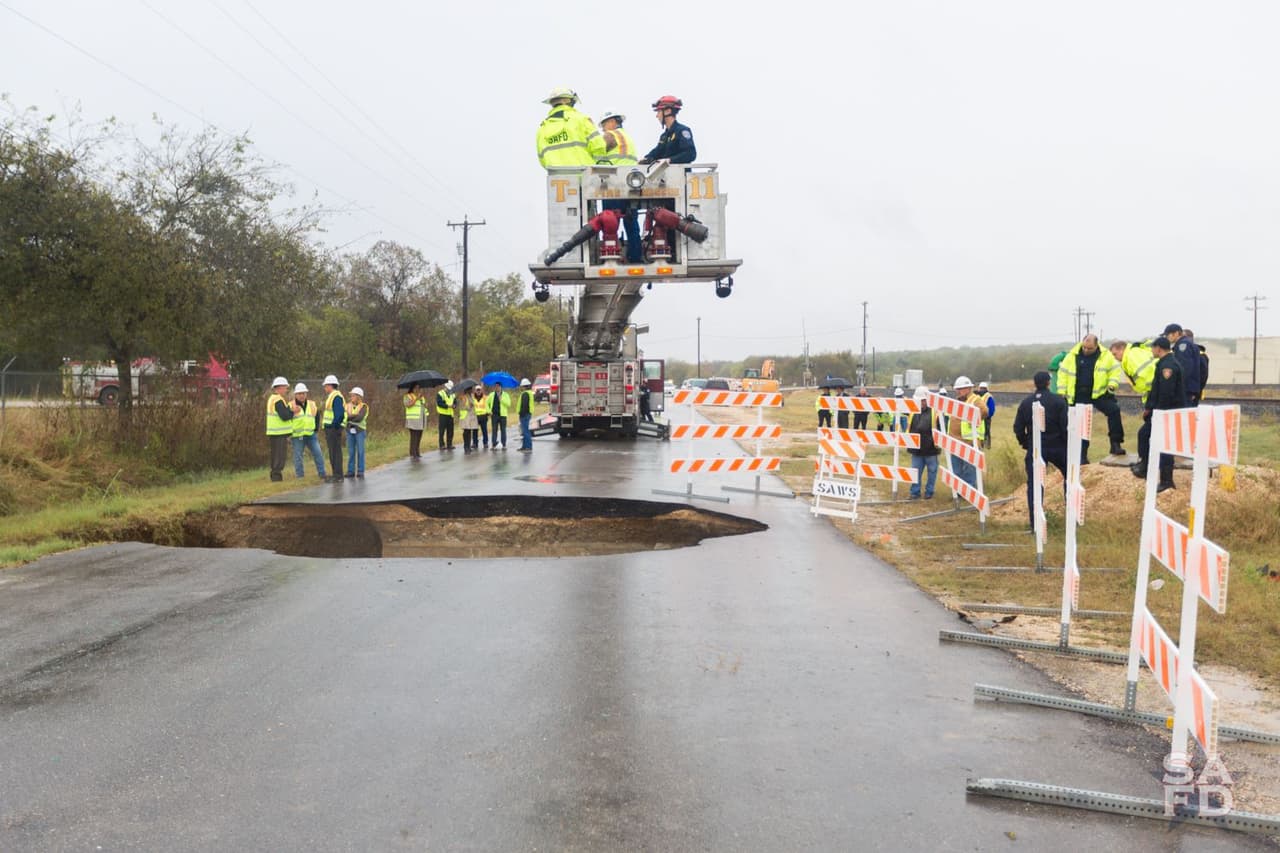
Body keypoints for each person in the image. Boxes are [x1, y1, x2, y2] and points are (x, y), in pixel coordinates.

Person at [1055, 333, 1124, 462]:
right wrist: (1061, 391)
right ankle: (1082, 456)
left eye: (1090, 348)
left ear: (1096, 345)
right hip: (1078, 395)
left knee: (1114, 410)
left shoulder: (1106, 356)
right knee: (1082, 424)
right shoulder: (1071, 356)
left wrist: (1112, 385)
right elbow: (1062, 374)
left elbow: (1114, 371)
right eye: (1084, 347)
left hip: (1099, 393)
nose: (1086, 350)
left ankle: (1115, 444)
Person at [1013, 371, 1069, 530]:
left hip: (1036, 448)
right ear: (1048, 383)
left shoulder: (1026, 403)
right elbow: (1065, 426)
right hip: (1057, 446)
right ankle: (1072, 517)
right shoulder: (1059, 401)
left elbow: (1018, 428)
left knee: (1035, 484)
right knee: (1070, 477)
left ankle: (1035, 524)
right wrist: (1065, 445)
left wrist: (1026, 443)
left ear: (1035, 383)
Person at [1132, 337, 1186, 492]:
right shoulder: (1166, 363)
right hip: (1164, 412)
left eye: (1152, 348)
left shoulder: (1167, 366)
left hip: (1166, 413)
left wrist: (1156, 413)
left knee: (1158, 442)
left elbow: (1165, 393)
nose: (1151, 351)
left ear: (1158, 348)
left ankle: (1164, 479)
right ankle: (1147, 467)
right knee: (1147, 437)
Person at [598, 109, 643, 262]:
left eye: (604, 125)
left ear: (612, 122)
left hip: (613, 183)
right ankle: (635, 256)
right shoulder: (627, 137)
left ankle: (611, 256)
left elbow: (596, 151)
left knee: (610, 222)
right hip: (631, 185)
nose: (603, 129)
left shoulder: (610, 136)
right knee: (631, 221)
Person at [535, 87, 605, 168]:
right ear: (568, 101)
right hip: (584, 176)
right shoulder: (581, 120)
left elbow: (542, 160)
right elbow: (599, 146)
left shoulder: (542, 129)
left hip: (557, 178)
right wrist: (600, 168)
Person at [947, 376, 985, 487]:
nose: (957, 391)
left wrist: (972, 419)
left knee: (969, 470)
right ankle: (959, 492)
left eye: (960, 389)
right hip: (955, 442)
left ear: (968, 389)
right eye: (957, 389)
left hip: (969, 442)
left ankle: (969, 491)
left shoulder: (975, 400)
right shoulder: (958, 401)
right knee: (956, 470)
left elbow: (984, 411)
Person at [639, 95, 696, 165]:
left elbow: (690, 154)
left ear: (668, 111)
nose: (657, 116)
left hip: (680, 174)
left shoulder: (682, 131)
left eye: (658, 111)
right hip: (666, 175)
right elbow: (657, 151)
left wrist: (670, 160)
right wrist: (646, 159)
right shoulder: (664, 136)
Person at [906, 386, 940, 500]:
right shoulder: (912, 411)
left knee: (932, 471)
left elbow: (940, 428)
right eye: (919, 400)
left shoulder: (935, 411)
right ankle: (915, 492)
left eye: (923, 400)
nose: (921, 403)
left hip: (931, 448)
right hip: (916, 448)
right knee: (915, 471)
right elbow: (910, 427)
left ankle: (929, 492)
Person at [290, 382, 327, 480]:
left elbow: (317, 416)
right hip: (297, 435)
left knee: (318, 453)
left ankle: (322, 473)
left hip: (311, 435)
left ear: (306, 394)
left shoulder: (312, 404)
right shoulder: (291, 405)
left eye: (303, 393)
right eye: (299, 393)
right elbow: (287, 420)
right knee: (298, 456)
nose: (302, 395)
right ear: (295, 395)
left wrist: (315, 429)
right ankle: (300, 476)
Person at [1163, 323, 1202, 406]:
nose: (1166, 337)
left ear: (1176, 333)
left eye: (1168, 335)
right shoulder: (1188, 343)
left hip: (1185, 389)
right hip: (1189, 388)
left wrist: (1176, 386)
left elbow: (1184, 368)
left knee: (1183, 415)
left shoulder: (1183, 345)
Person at [1109, 339, 1157, 404]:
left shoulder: (1131, 355)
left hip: (1154, 392)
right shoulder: (1129, 357)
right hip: (1152, 392)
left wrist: (1152, 391)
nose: (1114, 358)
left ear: (1122, 349)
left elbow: (1148, 371)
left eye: (1115, 354)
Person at [265, 376, 295, 482]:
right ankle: (276, 476)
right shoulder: (278, 400)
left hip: (275, 432)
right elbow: (284, 415)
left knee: (275, 454)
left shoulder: (273, 399)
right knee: (279, 455)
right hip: (278, 433)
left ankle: (275, 474)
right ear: (279, 388)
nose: (286, 390)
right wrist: (293, 412)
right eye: (285, 387)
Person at [321, 374, 345, 483]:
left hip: (333, 429)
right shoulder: (333, 396)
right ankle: (336, 474)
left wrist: (334, 425)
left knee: (335, 452)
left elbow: (339, 414)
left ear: (331, 385)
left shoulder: (336, 397)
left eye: (326, 386)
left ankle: (338, 475)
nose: (325, 388)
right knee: (333, 452)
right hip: (331, 428)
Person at [344, 387, 368, 478]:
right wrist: (353, 416)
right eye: (351, 395)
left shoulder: (364, 406)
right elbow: (344, 416)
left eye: (353, 395)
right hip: (349, 430)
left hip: (360, 431)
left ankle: (360, 471)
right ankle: (350, 471)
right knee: (351, 452)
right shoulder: (347, 405)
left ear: (359, 397)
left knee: (360, 451)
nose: (351, 397)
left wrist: (350, 416)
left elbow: (359, 418)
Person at [403, 384, 428, 459]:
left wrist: (424, 403)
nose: (417, 390)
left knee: (419, 436)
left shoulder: (421, 397)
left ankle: (417, 452)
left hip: (420, 419)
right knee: (414, 436)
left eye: (419, 388)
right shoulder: (407, 396)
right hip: (412, 419)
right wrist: (416, 399)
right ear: (412, 388)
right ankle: (413, 453)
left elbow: (424, 406)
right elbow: (407, 405)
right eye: (416, 388)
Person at [488, 384, 511, 450]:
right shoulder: (491, 394)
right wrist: (489, 411)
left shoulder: (505, 395)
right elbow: (487, 404)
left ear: (501, 387)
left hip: (503, 415)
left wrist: (501, 400)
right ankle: (493, 445)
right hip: (494, 415)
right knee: (494, 430)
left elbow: (508, 404)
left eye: (498, 386)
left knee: (503, 430)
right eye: (495, 386)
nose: (497, 387)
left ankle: (504, 445)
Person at [436, 380, 456, 451]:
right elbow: (439, 403)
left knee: (450, 431)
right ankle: (441, 445)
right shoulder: (440, 393)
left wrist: (454, 406)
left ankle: (449, 444)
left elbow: (455, 402)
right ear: (445, 387)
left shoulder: (453, 394)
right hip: (443, 415)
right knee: (442, 431)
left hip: (450, 415)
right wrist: (448, 406)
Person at [975, 381, 996, 449]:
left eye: (983, 388)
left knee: (986, 431)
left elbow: (991, 409)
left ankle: (987, 445)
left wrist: (987, 416)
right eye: (981, 388)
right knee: (980, 432)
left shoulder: (988, 397)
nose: (982, 390)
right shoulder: (978, 396)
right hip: (978, 417)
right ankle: (981, 444)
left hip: (986, 418)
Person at [458, 386, 479, 453]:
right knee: (466, 432)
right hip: (465, 416)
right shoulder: (463, 397)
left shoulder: (471, 396)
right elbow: (462, 407)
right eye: (470, 389)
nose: (472, 390)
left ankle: (468, 446)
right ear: (467, 390)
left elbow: (474, 404)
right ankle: (466, 447)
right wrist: (469, 407)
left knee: (469, 432)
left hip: (471, 416)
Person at [517, 377, 535, 452]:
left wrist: (521, 414)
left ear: (524, 386)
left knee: (525, 431)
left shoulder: (525, 394)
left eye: (522, 386)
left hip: (524, 414)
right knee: (524, 431)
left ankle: (528, 446)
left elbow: (524, 405)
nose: (521, 387)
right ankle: (524, 446)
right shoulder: (529, 393)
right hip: (528, 414)